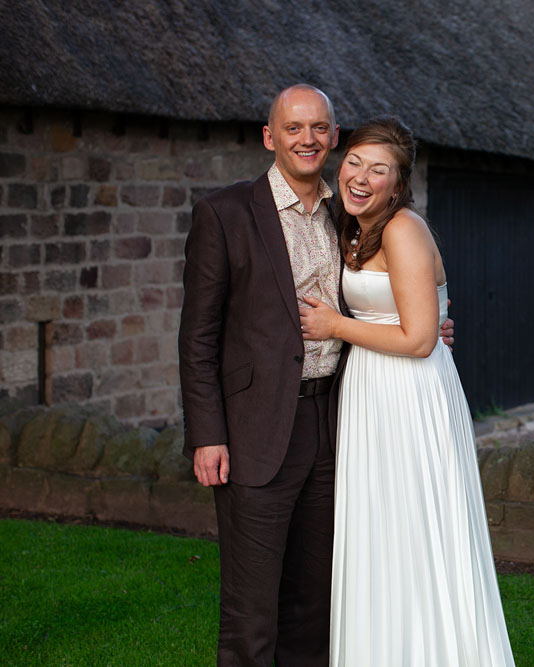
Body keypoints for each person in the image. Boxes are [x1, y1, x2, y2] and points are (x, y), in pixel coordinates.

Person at [178, 85, 454, 665]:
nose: (308, 139)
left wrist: (430, 328)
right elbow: (198, 337)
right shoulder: (225, 214)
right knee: (252, 609)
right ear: (269, 137)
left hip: (340, 425)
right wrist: (208, 433)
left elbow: (388, 303)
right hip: (255, 430)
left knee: (315, 603)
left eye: (320, 128)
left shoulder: (349, 213)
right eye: (294, 127)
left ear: (333, 137)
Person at [298, 117, 516, 666]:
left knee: (415, 535)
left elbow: (419, 340)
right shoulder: (352, 228)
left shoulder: (401, 228)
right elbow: (421, 315)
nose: (361, 177)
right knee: (381, 537)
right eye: (354, 162)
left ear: (399, 184)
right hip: (372, 392)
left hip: (409, 396)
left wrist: (335, 327)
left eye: (379, 169)